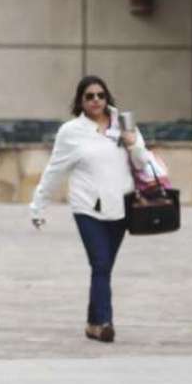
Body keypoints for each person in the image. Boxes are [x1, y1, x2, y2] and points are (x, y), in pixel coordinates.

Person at [30, 73, 151, 343]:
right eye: (89, 96)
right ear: (80, 101)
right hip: (87, 208)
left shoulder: (124, 123)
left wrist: (132, 143)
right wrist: (38, 205)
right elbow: (54, 170)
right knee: (100, 263)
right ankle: (105, 323)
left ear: (107, 97)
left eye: (100, 95)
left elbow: (143, 162)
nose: (96, 100)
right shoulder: (71, 132)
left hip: (121, 206)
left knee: (103, 268)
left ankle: (92, 323)